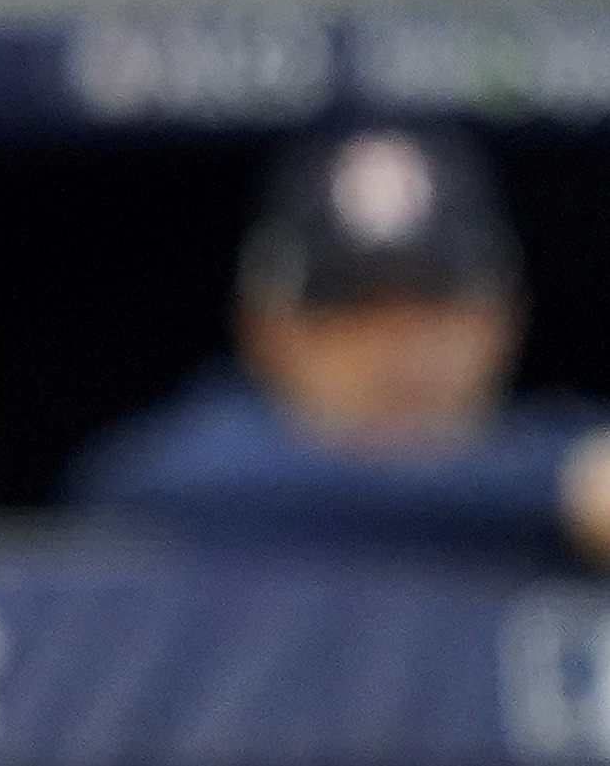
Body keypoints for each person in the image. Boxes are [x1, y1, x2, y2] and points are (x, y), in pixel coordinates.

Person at [68, 126, 610, 575]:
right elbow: (138, 484)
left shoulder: (571, 448)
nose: (402, 348)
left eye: (436, 304)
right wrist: (549, 492)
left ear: (503, 319)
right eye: (353, 310)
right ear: (268, 330)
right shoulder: (199, 468)